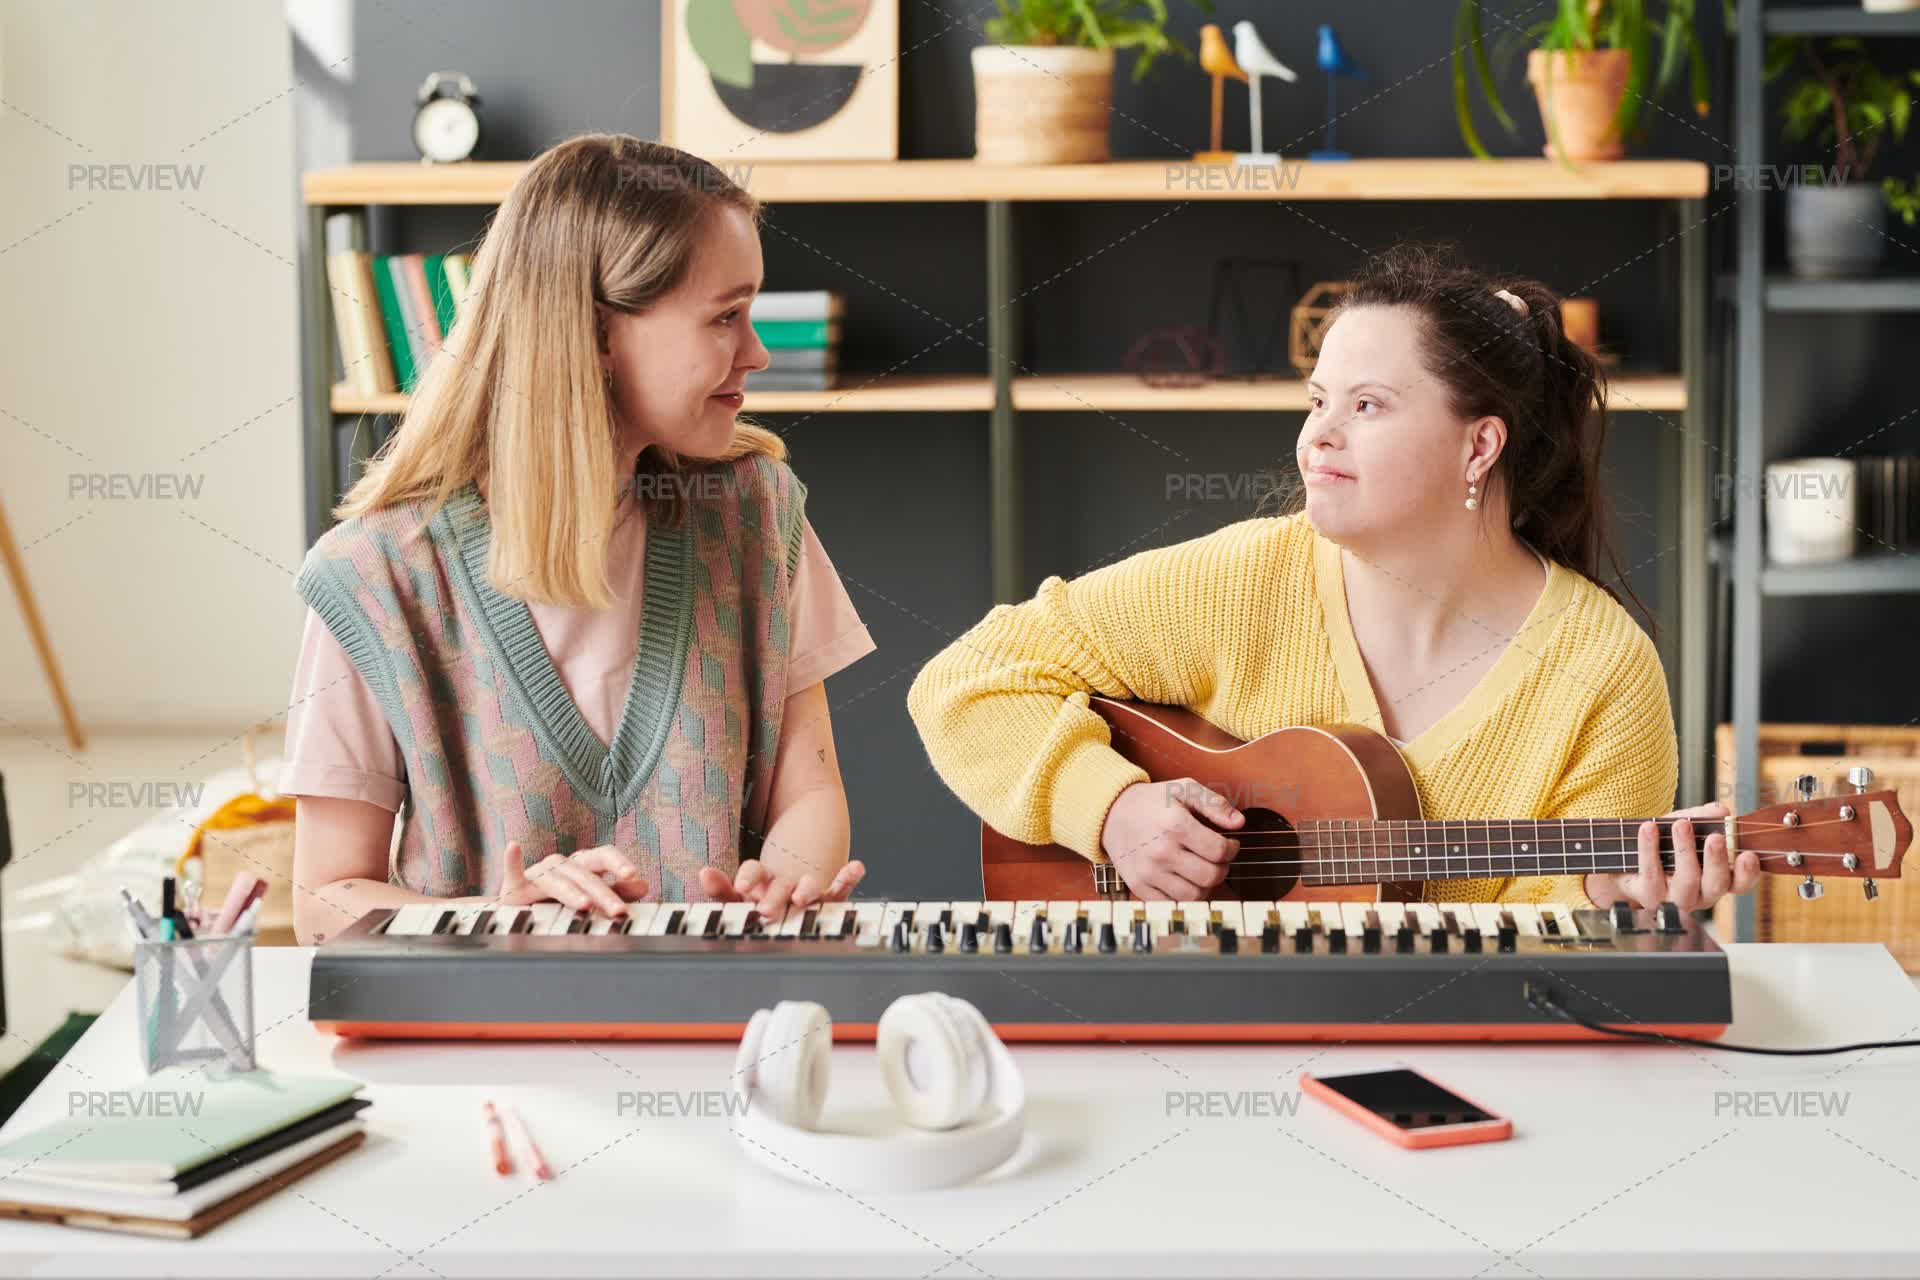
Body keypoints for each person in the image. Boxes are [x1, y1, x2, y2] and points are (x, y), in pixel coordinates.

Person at [909, 243, 1758, 912]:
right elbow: (965, 679)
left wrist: (1605, 901)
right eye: (1318, 400)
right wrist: (1111, 808)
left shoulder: (1604, 674)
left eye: (1367, 405)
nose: (1316, 436)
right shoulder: (1242, 579)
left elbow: (1556, 981)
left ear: (1479, 446)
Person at [285, 134, 875, 944]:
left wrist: (787, 877)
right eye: (725, 317)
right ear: (598, 334)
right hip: (484, 1022)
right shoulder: (373, 576)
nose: (758, 353)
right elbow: (322, 901)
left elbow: (808, 792)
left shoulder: (757, 514)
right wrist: (494, 921)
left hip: (725, 1010)